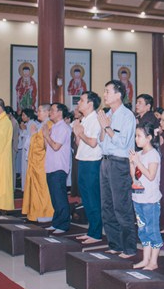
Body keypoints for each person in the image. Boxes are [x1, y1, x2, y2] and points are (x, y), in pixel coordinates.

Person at [97, 80, 137, 257]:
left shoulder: (127, 116)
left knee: (122, 206)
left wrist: (107, 127)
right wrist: (103, 128)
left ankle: (129, 248)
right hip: (105, 161)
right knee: (107, 206)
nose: (104, 95)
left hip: (119, 163)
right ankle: (115, 244)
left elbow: (123, 142)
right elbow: (101, 141)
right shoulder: (107, 114)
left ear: (118, 94)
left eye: (108, 91)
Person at [129, 122, 163, 270]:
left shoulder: (153, 154)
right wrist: (132, 163)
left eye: (139, 136)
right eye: (136, 136)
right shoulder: (139, 154)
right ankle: (145, 259)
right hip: (138, 197)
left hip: (150, 200)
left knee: (152, 230)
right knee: (142, 230)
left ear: (149, 138)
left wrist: (137, 162)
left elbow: (150, 175)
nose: (136, 139)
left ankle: (153, 261)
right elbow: (134, 177)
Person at [71, 91, 103, 245]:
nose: (78, 103)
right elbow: (80, 143)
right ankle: (91, 230)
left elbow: (92, 143)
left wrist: (80, 133)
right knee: (86, 198)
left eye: (81, 100)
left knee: (92, 198)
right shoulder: (84, 119)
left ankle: (96, 233)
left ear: (90, 104)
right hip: (83, 160)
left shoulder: (95, 120)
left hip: (92, 162)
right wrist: (77, 133)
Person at [21, 104, 54, 223]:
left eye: (40, 111)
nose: (37, 113)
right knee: (34, 188)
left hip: (42, 162)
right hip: (34, 162)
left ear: (47, 112)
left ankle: (46, 213)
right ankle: (34, 212)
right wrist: (33, 135)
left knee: (42, 188)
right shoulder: (41, 125)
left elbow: (41, 145)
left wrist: (33, 135)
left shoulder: (49, 125)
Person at [43, 103, 72, 234]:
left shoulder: (63, 128)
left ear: (60, 113)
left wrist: (47, 136)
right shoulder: (54, 127)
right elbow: (47, 147)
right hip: (51, 166)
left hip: (59, 167)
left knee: (60, 197)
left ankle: (63, 224)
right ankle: (56, 222)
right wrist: (46, 136)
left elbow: (56, 146)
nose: (50, 113)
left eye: (52, 110)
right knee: (54, 197)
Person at [19, 108, 39, 190]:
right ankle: (25, 187)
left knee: (27, 168)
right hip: (25, 149)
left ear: (29, 115)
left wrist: (23, 130)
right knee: (24, 168)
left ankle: (28, 188)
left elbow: (30, 137)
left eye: (24, 115)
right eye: (22, 115)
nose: (22, 117)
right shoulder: (27, 124)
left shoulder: (32, 124)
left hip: (29, 149)